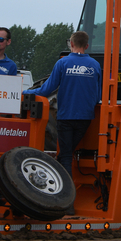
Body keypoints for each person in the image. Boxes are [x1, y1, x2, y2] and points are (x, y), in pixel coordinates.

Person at [23, 31, 102, 181]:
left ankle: (66, 192)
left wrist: (24, 92)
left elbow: (46, 89)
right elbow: (98, 95)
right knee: (67, 152)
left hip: (66, 116)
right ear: (87, 45)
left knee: (65, 156)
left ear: (71, 44)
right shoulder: (95, 65)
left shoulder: (63, 63)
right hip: (85, 118)